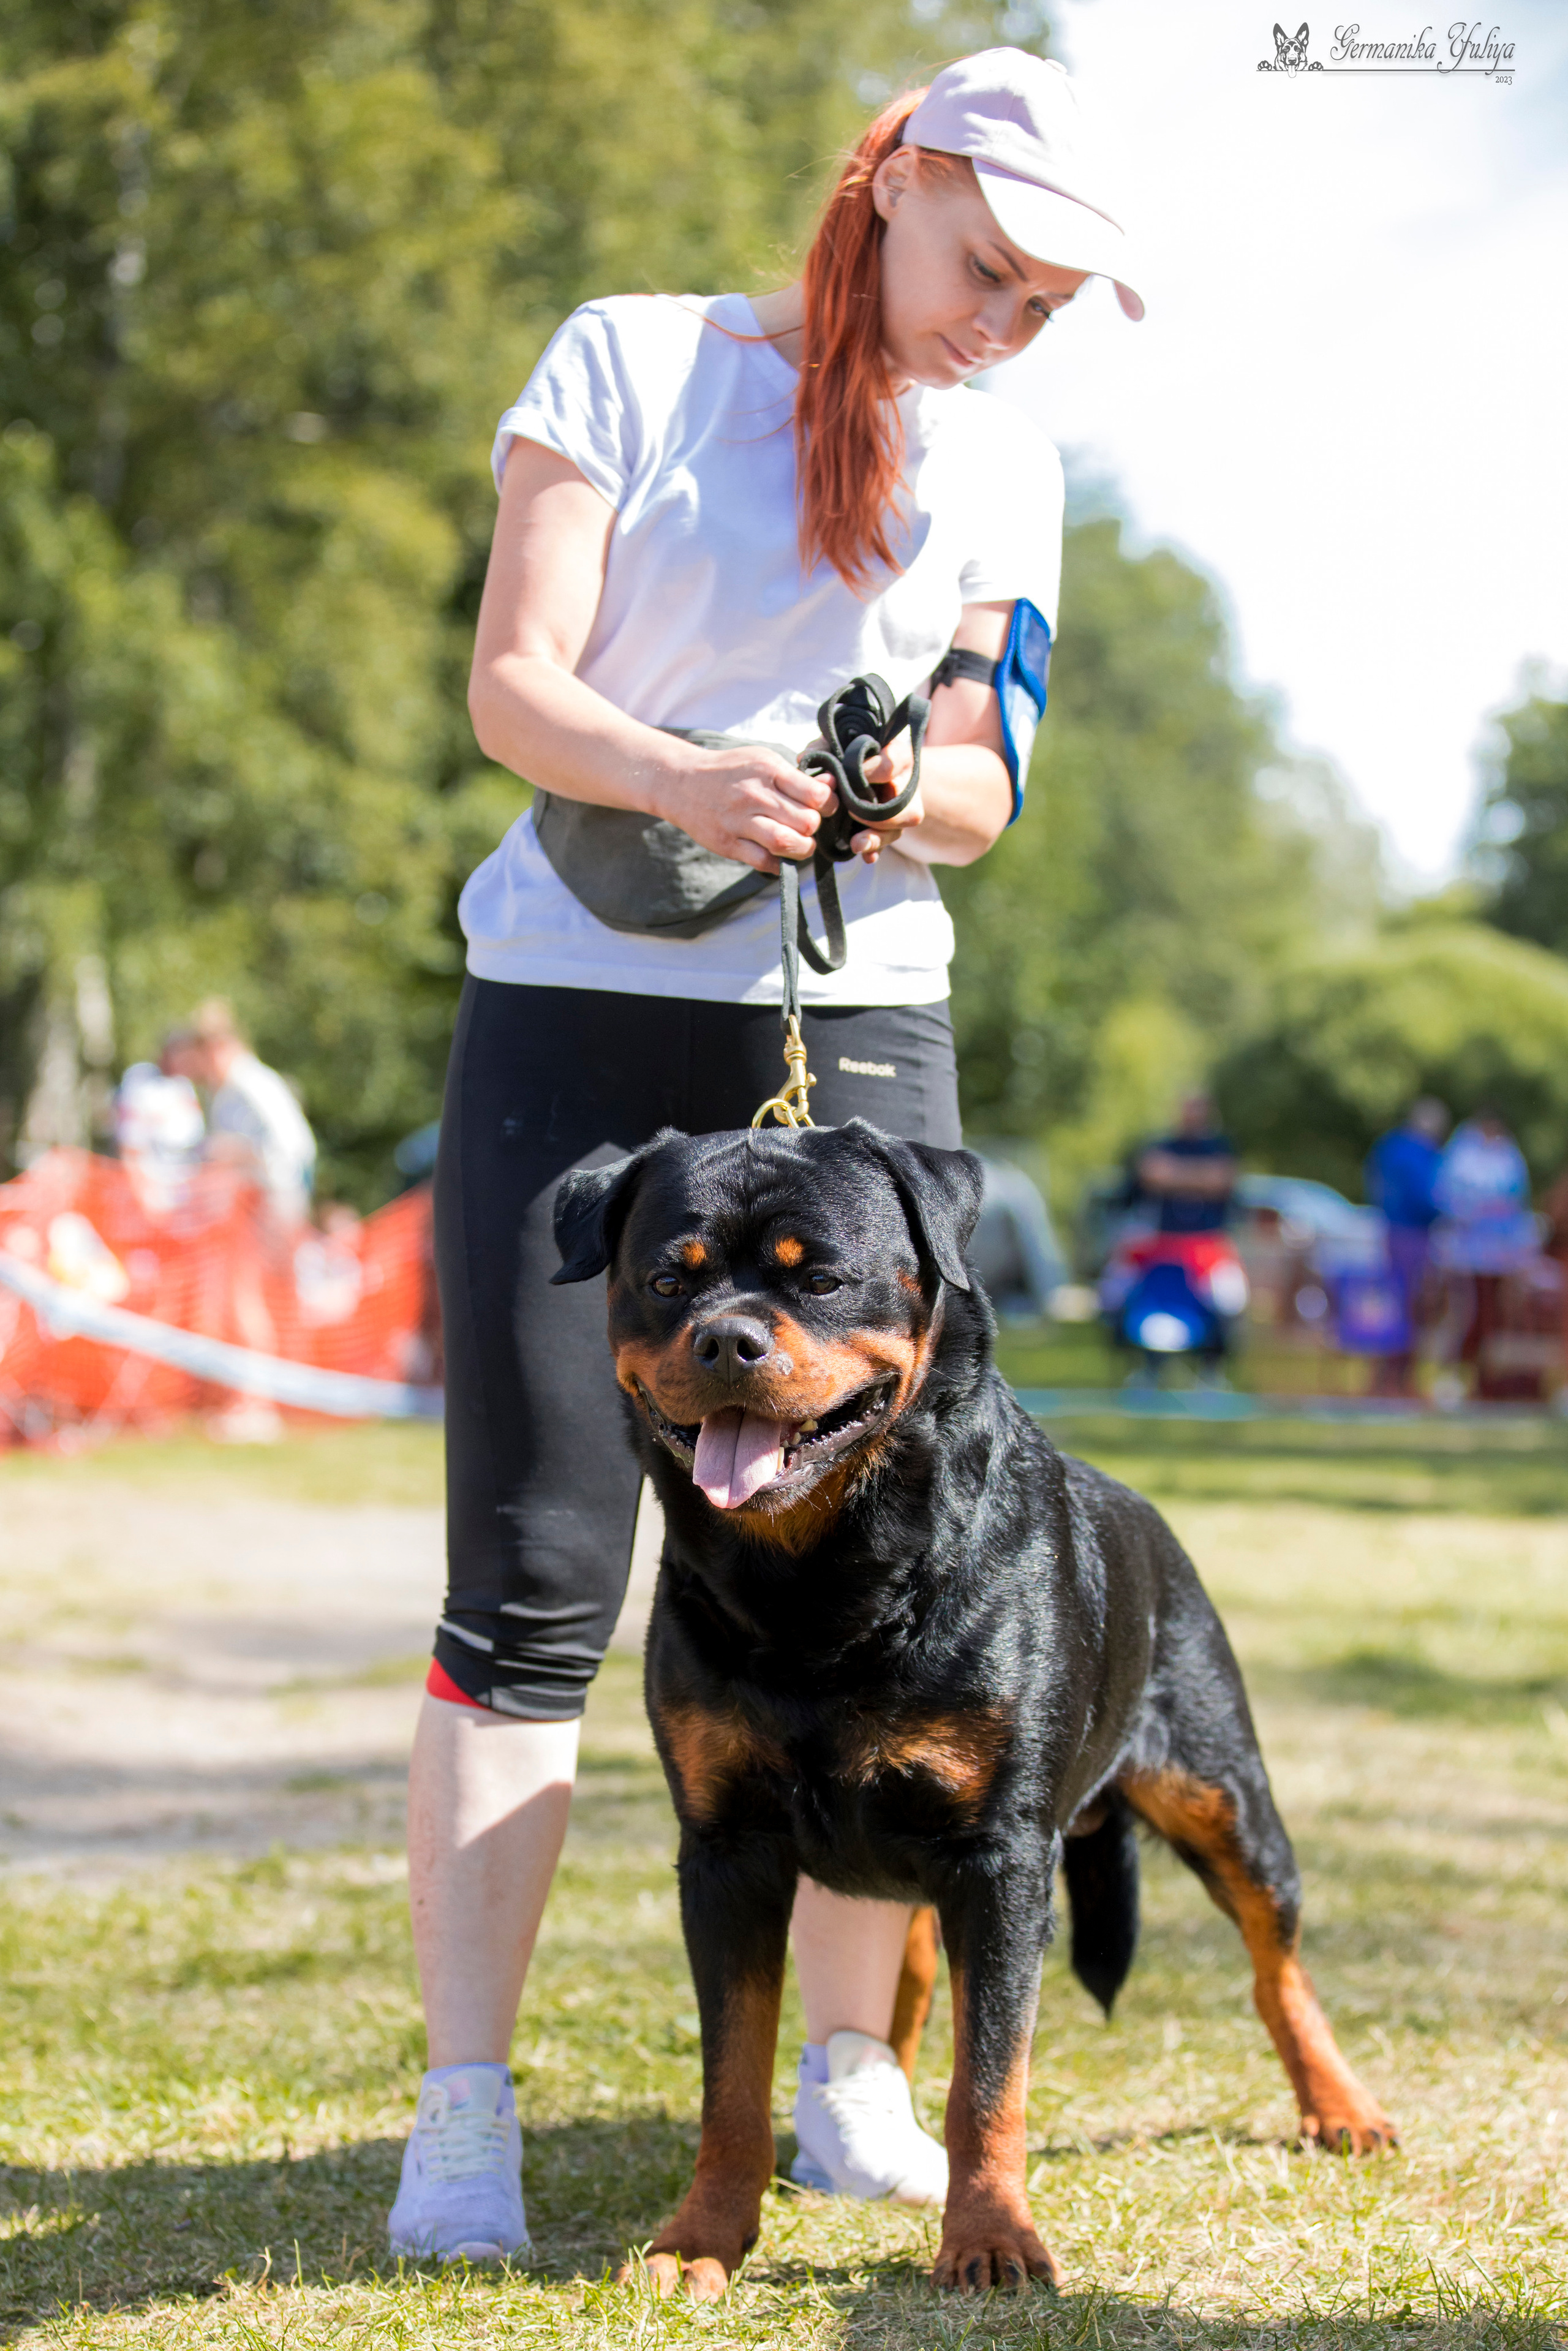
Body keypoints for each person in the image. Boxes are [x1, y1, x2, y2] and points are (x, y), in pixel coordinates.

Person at [389, 48, 1145, 2267]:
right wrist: (677, 771)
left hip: (858, 1013)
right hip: (575, 995)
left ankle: (845, 2078)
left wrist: (887, 795)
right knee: (532, 1573)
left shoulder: (1003, 462)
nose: (1001, 323)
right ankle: (463, 2111)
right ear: (892, 178)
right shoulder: (628, 363)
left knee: (894, 1580)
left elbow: (986, 780)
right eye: (984, 267)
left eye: (1044, 305)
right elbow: (514, 685)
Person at [1432, 1107, 1538, 1399]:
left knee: (1492, 1318)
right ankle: (1450, 1376)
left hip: (1498, 1258)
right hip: (1463, 1255)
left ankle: (1485, 1380)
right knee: (1461, 1314)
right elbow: (1446, 1198)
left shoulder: (1509, 1157)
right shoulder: (1461, 1155)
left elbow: (1517, 1203)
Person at [1363, 1097, 1449, 1394]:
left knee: (1392, 1305)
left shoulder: (1389, 1146)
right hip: (1413, 1236)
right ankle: (1398, 1380)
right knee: (1410, 1307)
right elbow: (1426, 1199)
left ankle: (1383, 1378)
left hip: (1391, 1231)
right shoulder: (1420, 1153)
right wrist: (1448, 1214)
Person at [1137, 1093, 1238, 1236]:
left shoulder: (1220, 1146)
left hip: (1210, 1237)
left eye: (1197, 1107)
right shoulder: (1164, 1144)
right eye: (1188, 1108)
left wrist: (1173, 1173)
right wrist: (1204, 1174)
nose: (1192, 1114)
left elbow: (1221, 1181)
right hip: (1166, 1236)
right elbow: (1152, 1175)